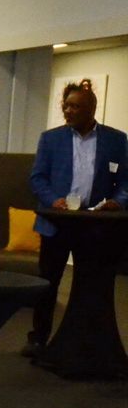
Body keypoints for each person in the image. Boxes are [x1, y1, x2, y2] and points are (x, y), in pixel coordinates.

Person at [25, 82, 127, 357]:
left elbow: (125, 182)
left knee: (89, 286)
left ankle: (86, 341)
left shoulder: (116, 140)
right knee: (48, 284)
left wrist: (118, 201)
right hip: (57, 223)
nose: (68, 111)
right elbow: (38, 178)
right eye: (65, 106)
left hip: (94, 227)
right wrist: (52, 200)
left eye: (74, 106)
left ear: (91, 109)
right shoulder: (50, 139)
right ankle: (38, 338)